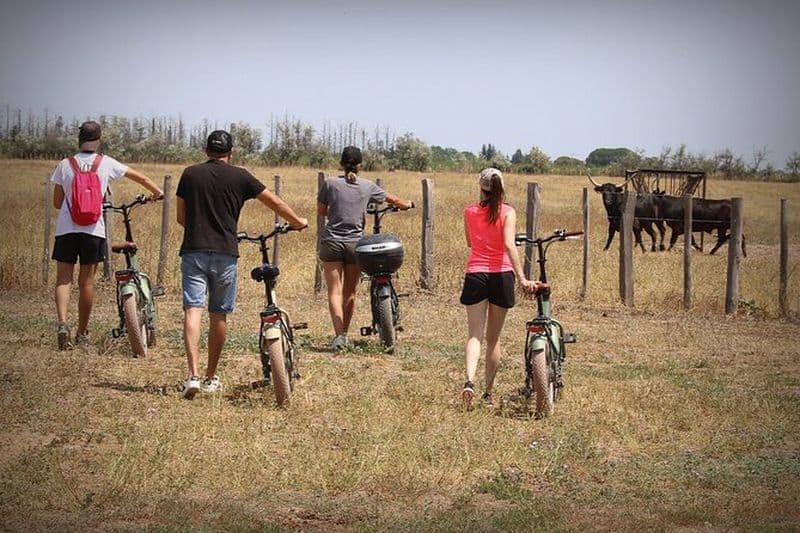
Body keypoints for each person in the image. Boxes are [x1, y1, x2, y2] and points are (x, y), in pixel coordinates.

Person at [176, 130, 307, 400]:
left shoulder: (189, 174)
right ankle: (211, 377)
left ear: (206, 150)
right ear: (231, 151)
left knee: (193, 310)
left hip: (193, 251)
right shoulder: (241, 176)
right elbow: (275, 202)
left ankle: (192, 376)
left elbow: (181, 217)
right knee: (219, 314)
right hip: (225, 252)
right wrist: (297, 222)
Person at [51, 120, 163, 350]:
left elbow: (56, 203)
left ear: (79, 140)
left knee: (64, 279)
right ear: (99, 140)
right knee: (86, 282)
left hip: (66, 230)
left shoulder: (65, 165)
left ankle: (63, 325)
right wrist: (157, 192)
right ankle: (82, 333)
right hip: (94, 230)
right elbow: (139, 177)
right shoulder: (106, 163)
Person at [317, 146, 413, 350]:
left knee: (334, 291)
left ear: (341, 164)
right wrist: (406, 204)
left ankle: (340, 336)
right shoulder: (368, 186)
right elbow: (393, 200)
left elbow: (321, 211)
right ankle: (345, 331)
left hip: (332, 242)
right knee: (349, 293)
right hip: (355, 244)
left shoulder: (330, 183)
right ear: (360, 165)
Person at [460, 167, 539, 410]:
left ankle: (469, 381)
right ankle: (488, 393)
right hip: (501, 276)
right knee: (493, 340)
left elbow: (470, 243)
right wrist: (522, 278)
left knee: (475, 335)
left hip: (475, 274)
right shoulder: (508, 212)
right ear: (500, 188)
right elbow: (508, 245)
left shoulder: (470, 212)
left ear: (481, 188)